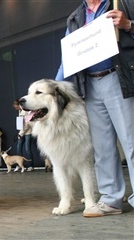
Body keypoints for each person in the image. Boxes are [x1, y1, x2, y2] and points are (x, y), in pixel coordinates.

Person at [55, 0, 134, 217]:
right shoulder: (75, 17)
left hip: (118, 79)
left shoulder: (123, 4)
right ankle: (110, 200)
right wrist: (53, 88)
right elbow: (67, 59)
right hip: (89, 85)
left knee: (131, 141)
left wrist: (128, 25)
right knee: (102, 148)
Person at [13, 100, 34, 172]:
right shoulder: (20, 111)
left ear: (19, 105)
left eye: (16, 107)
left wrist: (20, 134)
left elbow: (27, 124)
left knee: (27, 149)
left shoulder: (26, 111)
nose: (16, 109)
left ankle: (31, 166)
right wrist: (19, 133)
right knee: (18, 148)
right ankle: (19, 165)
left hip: (28, 132)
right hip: (21, 132)